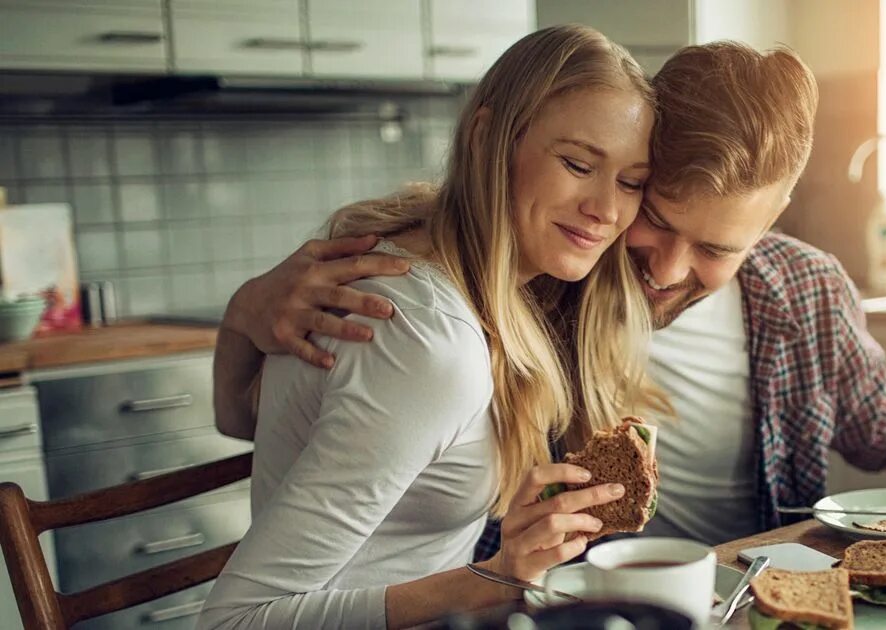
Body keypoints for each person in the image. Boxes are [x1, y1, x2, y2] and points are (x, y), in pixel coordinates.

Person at [213, 41, 886, 554]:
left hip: (745, 593)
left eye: (715, 250)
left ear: (774, 223)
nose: (665, 268)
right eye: (654, 217)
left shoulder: (800, 289)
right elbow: (295, 437)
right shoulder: (531, 275)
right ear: (635, 171)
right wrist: (248, 312)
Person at [198, 25, 658, 629]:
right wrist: (493, 579)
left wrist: (240, 320)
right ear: (487, 138)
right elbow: (235, 621)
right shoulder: (422, 340)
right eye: (577, 163)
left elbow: (245, 424)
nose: (606, 209)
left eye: (630, 183)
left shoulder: (454, 280)